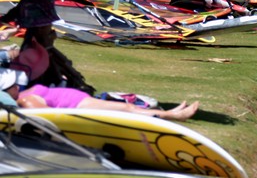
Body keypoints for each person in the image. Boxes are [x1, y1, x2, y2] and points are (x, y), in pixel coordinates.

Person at [1, 70, 199, 121]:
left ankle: (170, 113)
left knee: (127, 107)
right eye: (13, 85)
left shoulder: (24, 94)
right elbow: (50, 117)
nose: (17, 85)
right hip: (77, 106)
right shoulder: (26, 100)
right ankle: (174, 115)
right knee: (127, 109)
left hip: (77, 100)